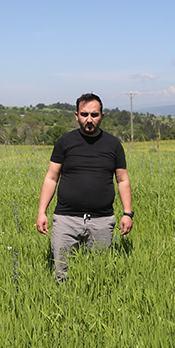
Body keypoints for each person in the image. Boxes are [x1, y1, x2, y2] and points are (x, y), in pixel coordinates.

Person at [36, 93, 133, 281]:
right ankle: (64, 305)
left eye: (94, 115)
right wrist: (42, 212)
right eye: (84, 114)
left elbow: (123, 180)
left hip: (102, 220)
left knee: (98, 275)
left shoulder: (113, 144)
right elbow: (51, 178)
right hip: (66, 219)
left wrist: (127, 213)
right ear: (76, 115)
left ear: (102, 116)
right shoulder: (64, 142)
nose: (89, 119)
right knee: (62, 274)